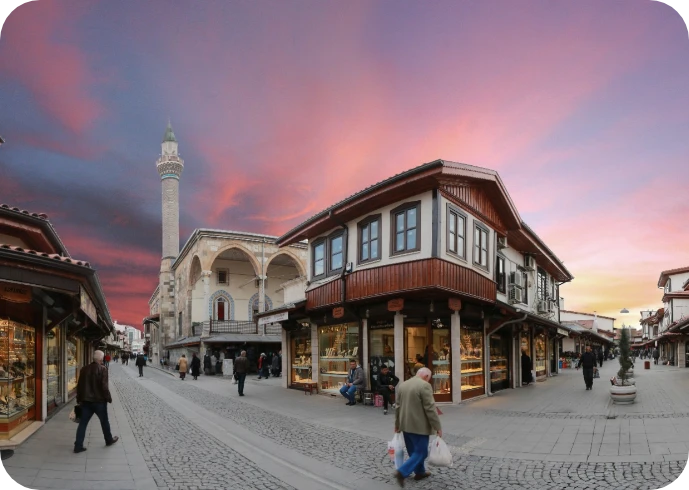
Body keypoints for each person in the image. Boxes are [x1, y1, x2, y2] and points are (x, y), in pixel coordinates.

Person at [393, 367, 442, 486]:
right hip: (419, 426)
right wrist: (437, 426)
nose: (428, 381)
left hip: (405, 424)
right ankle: (402, 472)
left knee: (413, 451)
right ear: (426, 376)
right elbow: (430, 408)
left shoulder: (403, 385)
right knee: (421, 452)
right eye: (428, 379)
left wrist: (397, 424)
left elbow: (397, 406)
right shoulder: (424, 386)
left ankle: (420, 472)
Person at [74, 350, 119, 453]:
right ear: (101, 359)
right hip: (99, 402)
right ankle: (108, 440)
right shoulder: (103, 369)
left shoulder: (84, 369)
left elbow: (80, 386)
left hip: (86, 402)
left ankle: (78, 445)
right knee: (104, 422)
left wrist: (79, 399)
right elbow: (104, 386)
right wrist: (108, 398)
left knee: (82, 424)